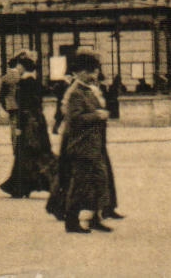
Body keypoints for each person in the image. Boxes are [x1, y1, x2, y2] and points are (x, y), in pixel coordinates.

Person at [51, 53, 114, 234]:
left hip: (93, 145)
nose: (94, 75)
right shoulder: (75, 92)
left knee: (99, 182)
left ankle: (95, 218)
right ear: (81, 72)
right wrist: (98, 115)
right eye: (91, 72)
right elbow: (75, 119)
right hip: (81, 146)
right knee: (80, 184)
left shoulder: (87, 90)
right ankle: (72, 221)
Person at [0, 52, 55, 199]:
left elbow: (22, 107)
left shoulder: (23, 84)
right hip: (38, 122)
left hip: (27, 122)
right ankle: (47, 182)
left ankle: (20, 186)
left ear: (23, 67)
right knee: (41, 152)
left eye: (20, 65)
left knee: (24, 154)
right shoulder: (36, 83)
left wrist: (19, 127)